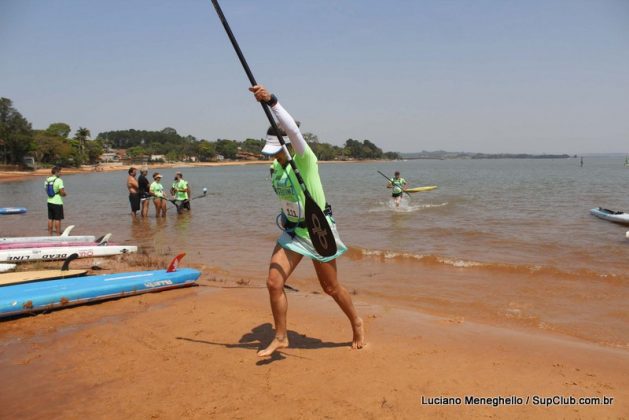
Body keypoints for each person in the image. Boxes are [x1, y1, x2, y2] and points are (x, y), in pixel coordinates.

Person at [249, 84, 364, 357]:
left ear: (290, 145)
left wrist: (273, 102)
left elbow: (294, 131)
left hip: (317, 229)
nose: (274, 155)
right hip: (292, 232)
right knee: (274, 283)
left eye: (278, 149)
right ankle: (281, 337)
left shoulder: (306, 160)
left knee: (331, 288)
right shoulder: (275, 166)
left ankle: (356, 322)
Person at [45, 166, 66, 235]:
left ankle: (49, 234)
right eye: (60, 172)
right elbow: (62, 192)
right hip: (57, 202)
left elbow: (46, 190)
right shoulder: (59, 180)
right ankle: (58, 235)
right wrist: (65, 194)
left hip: (49, 201)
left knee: (50, 219)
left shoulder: (47, 180)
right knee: (57, 219)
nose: (61, 174)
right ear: (56, 172)